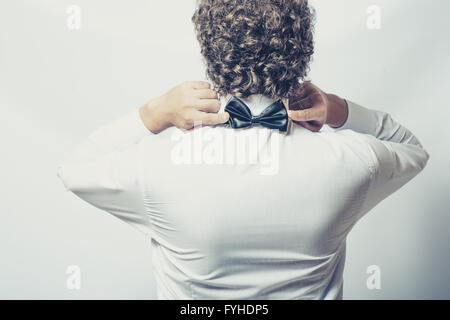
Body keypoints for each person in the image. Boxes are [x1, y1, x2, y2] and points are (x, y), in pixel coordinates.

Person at [57, 0, 429, 299]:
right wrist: (337, 108)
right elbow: (411, 148)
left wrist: (155, 113)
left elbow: (74, 169)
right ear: (301, 51)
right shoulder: (353, 162)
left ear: (210, 49)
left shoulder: (159, 166)